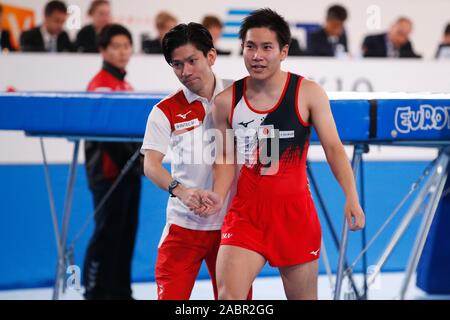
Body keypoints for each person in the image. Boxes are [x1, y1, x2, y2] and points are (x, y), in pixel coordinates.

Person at [204, 8, 365, 300]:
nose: (257, 55)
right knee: (228, 299)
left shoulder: (309, 93)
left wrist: (351, 196)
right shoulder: (224, 103)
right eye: (250, 46)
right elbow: (225, 159)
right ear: (241, 47)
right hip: (246, 217)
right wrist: (217, 194)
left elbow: (333, 149)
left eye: (267, 47)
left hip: (295, 219)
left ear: (284, 51)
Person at [141, 22, 251, 300]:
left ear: (211, 56)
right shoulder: (164, 110)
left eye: (192, 61)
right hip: (184, 227)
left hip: (231, 228)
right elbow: (151, 165)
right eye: (177, 65)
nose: (185, 72)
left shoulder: (242, 97)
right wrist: (182, 191)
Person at [83, 24, 142, 300]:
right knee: (106, 232)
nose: (122, 52)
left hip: (130, 171)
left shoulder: (127, 85)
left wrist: (140, 160)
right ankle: (95, 291)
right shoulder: (99, 85)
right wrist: (133, 161)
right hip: (107, 174)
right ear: (103, 50)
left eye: (126, 46)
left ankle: (121, 291)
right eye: (116, 46)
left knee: (126, 233)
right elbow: (107, 136)